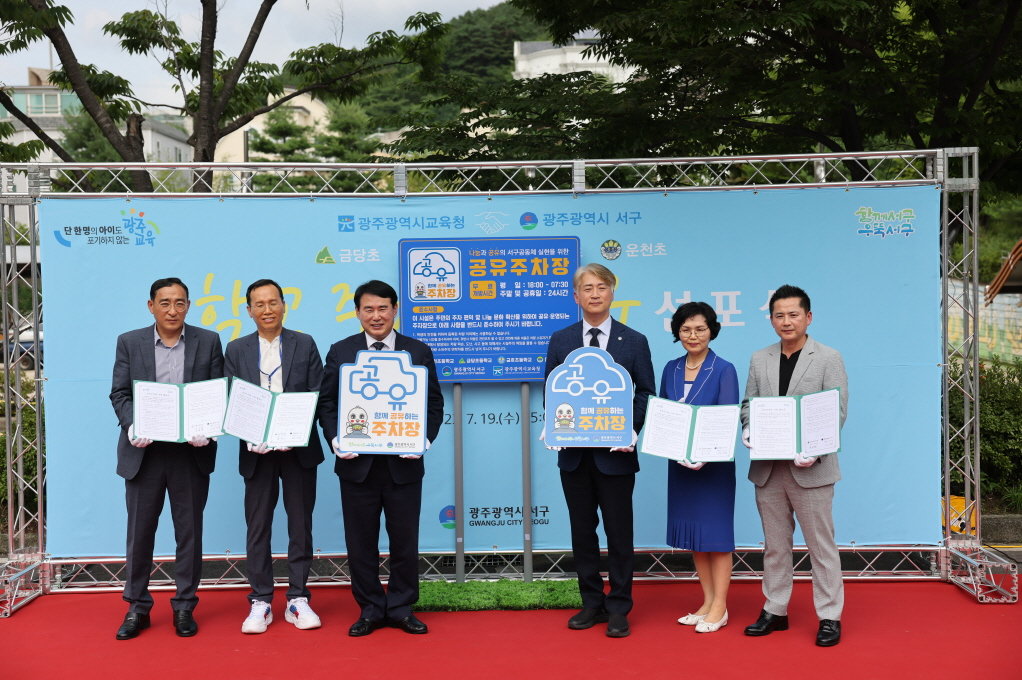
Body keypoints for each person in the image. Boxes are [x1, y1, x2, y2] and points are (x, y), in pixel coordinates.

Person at [319, 280, 444, 637]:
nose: (376, 316)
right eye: (368, 309)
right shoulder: (341, 351)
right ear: (358, 312)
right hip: (356, 465)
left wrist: (423, 439)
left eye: (383, 308)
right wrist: (335, 438)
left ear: (395, 310)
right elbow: (327, 403)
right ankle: (371, 608)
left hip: (403, 464)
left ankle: (402, 607)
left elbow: (434, 404)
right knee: (361, 543)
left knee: (405, 540)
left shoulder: (417, 351)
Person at [544, 263, 655, 638]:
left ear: (612, 293)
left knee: (620, 533)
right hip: (574, 457)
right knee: (582, 532)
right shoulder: (560, 340)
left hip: (617, 455)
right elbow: (552, 391)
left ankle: (620, 606)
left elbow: (645, 392)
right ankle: (591, 603)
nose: (594, 294)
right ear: (576, 296)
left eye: (601, 287)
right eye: (586, 288)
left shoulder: (634, 340)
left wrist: (631, 429)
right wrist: (556, 428)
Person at [109, 277, 224, 640]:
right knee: (140, 532)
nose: (172, 310)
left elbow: (217, 391)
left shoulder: (208, 341)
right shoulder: (130, 342)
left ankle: (185, 606)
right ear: (151, 306)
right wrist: (132, 425)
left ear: (188, 305)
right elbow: (120, 393)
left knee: (189, 533)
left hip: (190, 453)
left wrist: (209, 427)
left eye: (179, 303)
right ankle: (137, 607)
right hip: (145, 453)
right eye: (165, 302)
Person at [740, 284, 848, 647]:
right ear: (771, 319)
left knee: (821, 546)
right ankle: (775, 609)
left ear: (808, 317)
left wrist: (816, 450)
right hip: (769, 469)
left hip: (811, 470)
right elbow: (747, 405)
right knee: (774, 545)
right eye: (779, 315)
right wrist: (749, 427)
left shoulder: (828, 357)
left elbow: (836, 411)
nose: (786, 321)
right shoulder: (760, 358)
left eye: (793, 314)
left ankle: (830, 616)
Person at [224, 279, 324, 634]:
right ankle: (261, 600)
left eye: (273, 302)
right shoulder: (236, 349)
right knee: (258, 527)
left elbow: (317, 393)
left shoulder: (305, 343)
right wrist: (250, 434)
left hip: (299, 451)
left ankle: (298, 598)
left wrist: (293, 432)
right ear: (248, 310)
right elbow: (230, 399)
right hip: (257, 453)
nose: (267, 310)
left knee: (300, 525)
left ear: (284, 305)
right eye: (259, 304)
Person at [661, 302, 739, 634]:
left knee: (716, 538)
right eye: (686, 329)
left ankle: (720, 607)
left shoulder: (724, 369)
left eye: (700, 329)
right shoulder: (670, 368)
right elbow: (663, 413)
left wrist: (706, 453)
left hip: (714, 468)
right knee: (696, 538)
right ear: (677, 332)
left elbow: (728, 418)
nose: (693, 336)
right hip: (680, 465)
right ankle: (707, 602)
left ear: (712, 330)